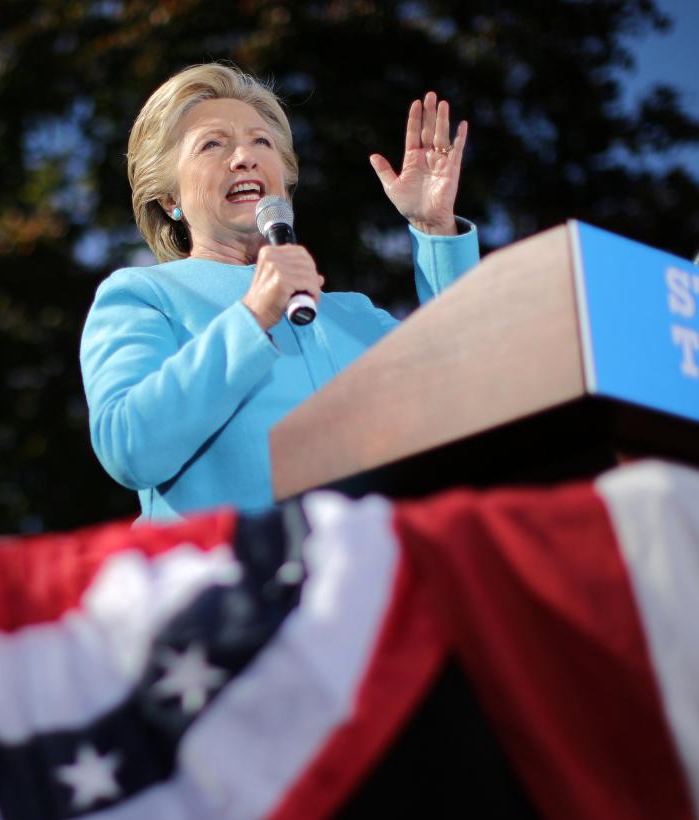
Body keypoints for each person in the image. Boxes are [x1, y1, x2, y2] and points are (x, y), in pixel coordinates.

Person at [80, 63, 480, 521]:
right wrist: (253, 316)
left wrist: (435, 229)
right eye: (212, 144)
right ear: (169, 199)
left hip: (368, 576)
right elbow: (130, 447)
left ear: (285, 181)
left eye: (261, 142)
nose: (244, 158)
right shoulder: (143, 296)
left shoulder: (357, 315)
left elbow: (471, 391)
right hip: (229, 580)